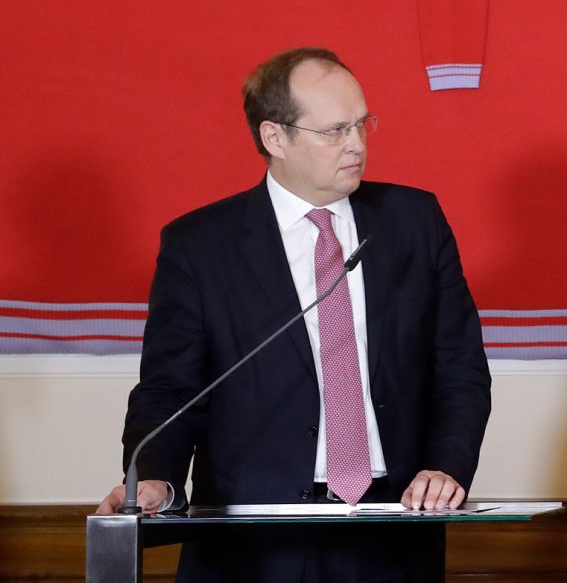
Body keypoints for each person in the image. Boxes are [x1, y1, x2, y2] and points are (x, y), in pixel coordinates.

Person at [96, 47, 493, 583]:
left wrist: (446, 466)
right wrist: (157, 481)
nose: (356, 144)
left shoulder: (414, 222)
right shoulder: (200, 247)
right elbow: (170, 391)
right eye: (333, 131)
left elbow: (460, 367)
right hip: (253, 542)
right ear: (274, 138)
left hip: (392, 526)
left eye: (361, 124)